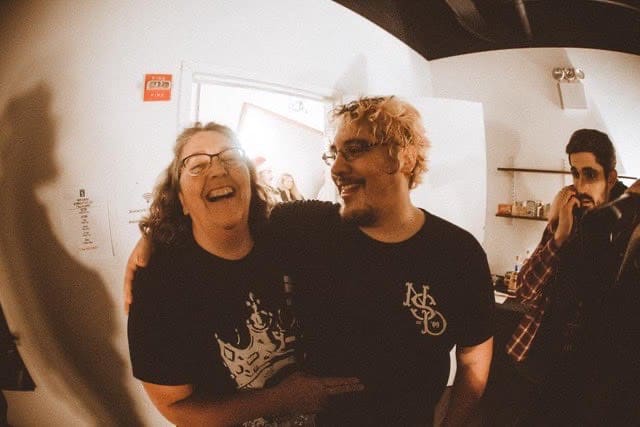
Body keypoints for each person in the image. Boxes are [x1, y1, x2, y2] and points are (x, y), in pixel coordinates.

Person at [125, 97, 495, 426]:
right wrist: (153, 239)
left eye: (354, 150)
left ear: (404, 157)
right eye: (333, 154)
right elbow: (220, 221)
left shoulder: (458, 254)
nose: (336, 168)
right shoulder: (308, 226)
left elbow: (473, 355)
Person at [126, 122, 362, 426]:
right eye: (196, 165)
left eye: (230, 157)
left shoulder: (292, 230)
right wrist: (280, 399)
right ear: (181, 200)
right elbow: (175, 406)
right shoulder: (160, 286)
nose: (217, 169)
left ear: (250, 182)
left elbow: (376, 217)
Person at [505, 129, 636, 423]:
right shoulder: (569, 214)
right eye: (575, 174)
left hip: (598, 373)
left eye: (590, 175)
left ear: (611, 177)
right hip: (546, 360)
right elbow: (524, 289)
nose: (580, 185)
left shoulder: (627, 224)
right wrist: (560, 236)